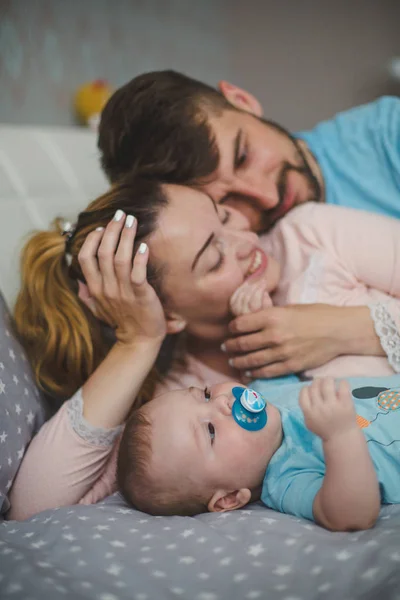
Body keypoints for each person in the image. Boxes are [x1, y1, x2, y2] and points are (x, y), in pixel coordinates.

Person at [7, 175, 400, 520]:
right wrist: (138, 342)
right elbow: (34, 511)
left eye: (224, 215)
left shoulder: (309, 236)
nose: (248, 240)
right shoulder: (179, 402)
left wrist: (350, 329)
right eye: (214, 259)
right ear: (169, 313)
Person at [97, 69, 400, 378]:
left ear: (242, 101)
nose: (266, 197)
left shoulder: (390, 136)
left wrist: (346, 330)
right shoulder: (246, 265)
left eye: (242, 156)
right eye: (225, 204)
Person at [117, 374, 400, 532]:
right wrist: (341, 435)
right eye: (211, 431)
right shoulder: (287, 478)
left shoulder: (265, 392)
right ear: (229, 498)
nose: (222, 403)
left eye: (204, 394)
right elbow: (352, 516)